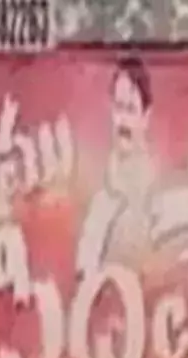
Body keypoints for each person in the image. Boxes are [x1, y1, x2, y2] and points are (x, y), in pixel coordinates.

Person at [75, 54, 160, 278]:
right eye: (119, 108)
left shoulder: (157, 189)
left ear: (146, 116)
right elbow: (84, 271)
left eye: (130, 109)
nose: (123, 121)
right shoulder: (100, 197)